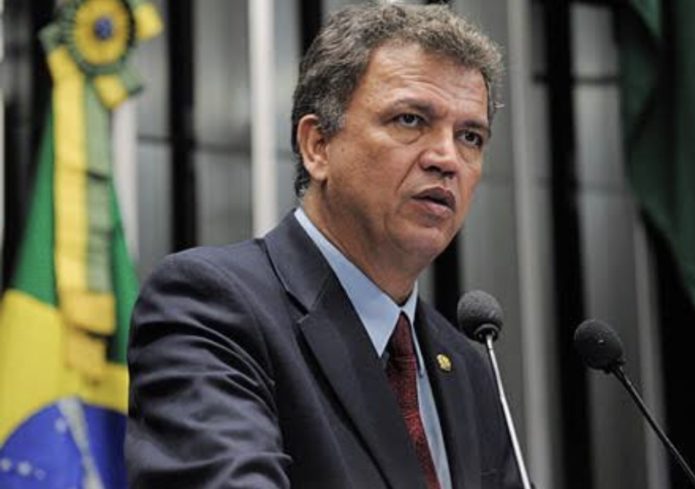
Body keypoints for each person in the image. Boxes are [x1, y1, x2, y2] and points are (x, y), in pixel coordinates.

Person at [126, 4, 523, 489]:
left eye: (470, 137)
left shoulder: (468, 367)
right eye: (410, 120)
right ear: (317, 145)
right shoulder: (210, 307)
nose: (447, 158)